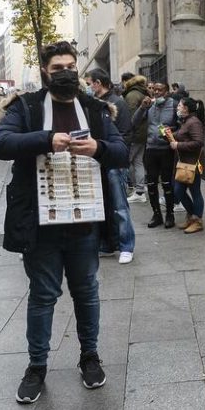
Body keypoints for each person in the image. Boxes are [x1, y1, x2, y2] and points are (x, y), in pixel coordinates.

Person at [0, 41, 128, 404]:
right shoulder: (28, 107)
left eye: (70, 66)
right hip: (41, 226)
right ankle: (37, 366)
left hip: (85, 224)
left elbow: (122, 153)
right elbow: (0, 142)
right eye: (57, 68)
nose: (65, 72)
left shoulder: (95, 110)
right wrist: (45, 140)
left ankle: (89, 357)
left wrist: (98, 148)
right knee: (43, 296)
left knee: (87, 294)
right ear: (44, 72)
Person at [87, 68, 135, 264]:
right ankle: (108, 244)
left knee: (120, 206)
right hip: (101, 161)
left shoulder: (117, 102)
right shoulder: (96, 104)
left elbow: (125, 134)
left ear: (98, 83)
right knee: (106, 205)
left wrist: (114, 153)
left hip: (114, 162)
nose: (89, 87)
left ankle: (127, 246)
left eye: (90, 83)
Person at [131, 81, 176, 228]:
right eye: (154, 90)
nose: (156, 93)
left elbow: (181, 125)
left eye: (160, 90)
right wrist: (142, 107)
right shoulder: (149, 104)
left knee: (167, 183)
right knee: (151, 183)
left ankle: (170, 214)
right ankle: (156, 214)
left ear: (167, 92)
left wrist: (172, 133)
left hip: (166, 149)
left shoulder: (173, 105)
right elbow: (135, 122)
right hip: (151, 148)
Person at [170, 97, 205, 234]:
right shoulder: (186, 121)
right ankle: (192, 216)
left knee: (195, 192)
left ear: (186, 108)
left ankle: (197, 221)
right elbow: (182, 135)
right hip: (184, 164)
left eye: (179, 105)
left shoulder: (193, 122)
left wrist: (178, 145)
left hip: (193, 165)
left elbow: (198, 142)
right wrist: (169, 134)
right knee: (178, 191)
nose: (177, 107)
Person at [121, 72, 149, 203]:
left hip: (134, 133)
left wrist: (127, 132)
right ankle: (140, 189)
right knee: (138, 161)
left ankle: (138, 190)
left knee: (128, 161)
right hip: (142, 133)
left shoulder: (132, 94)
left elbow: (131, 118)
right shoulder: (142, 92)